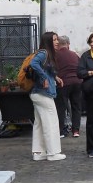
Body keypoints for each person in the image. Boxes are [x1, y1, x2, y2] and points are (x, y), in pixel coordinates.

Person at [28, 32, 66, 162]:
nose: (57, 42)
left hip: (37, 94)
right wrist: (44, 78)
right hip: (43, 93)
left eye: (57, 39)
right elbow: (34, 63)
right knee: (51, 122)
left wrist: (54, 77)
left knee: (39, 124)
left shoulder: (45, 54)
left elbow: (45, 68)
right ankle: (53, 153)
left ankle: (39, 152)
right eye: (54, 40)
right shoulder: (44, 53)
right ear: (48, 41)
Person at [53, 35, 83, 138]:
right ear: (68, 44)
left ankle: (61, 131)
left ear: (58, 44)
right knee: (76, 107)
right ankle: (76, 130)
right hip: (77, 82)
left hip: (63, 83)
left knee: (61, 107)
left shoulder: (55, 55)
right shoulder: (75, 55)